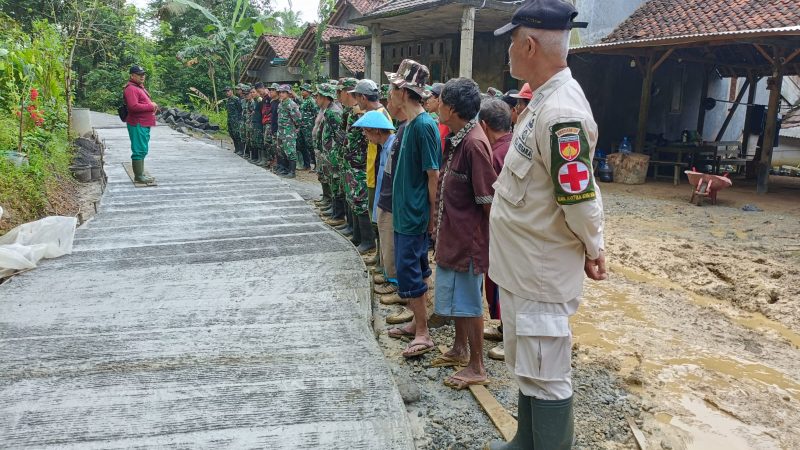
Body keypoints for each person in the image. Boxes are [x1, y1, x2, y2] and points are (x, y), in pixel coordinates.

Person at [488, 0, 604, 448]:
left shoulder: (561, 114)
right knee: (528, 367)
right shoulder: (541, 102)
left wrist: (595, 248)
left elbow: (579, 197)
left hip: (540, 271)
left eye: (512, 44)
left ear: (530, 44)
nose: (509, 55)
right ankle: (526, 440)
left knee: (547, 374)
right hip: (522, 268)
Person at [428, 78, 497, 390]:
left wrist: (484, 246)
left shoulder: (474, 145)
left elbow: (487, 203)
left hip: (467, 243)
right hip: (453, 238)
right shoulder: (459, 138)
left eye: (440, 101)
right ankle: (459, 349)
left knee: (469, 304)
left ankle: (477, 365)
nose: (437, 106)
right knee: (457, 300)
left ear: (451, 108)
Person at [384, 59, 441, 358]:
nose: (389, 92)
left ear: (404, 91)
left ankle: (423, 332)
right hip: (405, 212)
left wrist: (432, 218)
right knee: (412, 269)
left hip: (415, 215)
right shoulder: (408, 125)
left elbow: (433, 176)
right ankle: (417, 324)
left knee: (411, 271)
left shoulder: (423, 126)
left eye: (393, 87)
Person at [478, 98, 514, 361]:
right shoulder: (516, 146)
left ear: (484, 125)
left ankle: (511, 338)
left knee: (504, 282)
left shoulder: (495, 155)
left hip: (502, 230)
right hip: (515, 230)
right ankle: (504, 329)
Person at [350, 79, 391, 256]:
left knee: (380, 220)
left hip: (378, 174)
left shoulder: (380, 115)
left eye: (357, 97)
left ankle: (381, 259)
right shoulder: (373, 113)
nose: (356, 102)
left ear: (364, 97)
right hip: (372, 174)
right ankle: (378, 257)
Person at [123, 65, 158, 184]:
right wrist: (151, 105)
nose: (142, 76)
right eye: (139, 74)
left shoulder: (138, 87)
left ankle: (141, 174)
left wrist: (151, 104)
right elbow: (133, 107)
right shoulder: (131, 89)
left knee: (142, 149)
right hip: (138, 123)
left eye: (143, 74)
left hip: (143, 123)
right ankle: (138, 176)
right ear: (132, 75)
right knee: (139, 149)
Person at [276, 84, 302, 178]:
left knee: (290, 151)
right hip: (281, 131)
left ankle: (292, 171)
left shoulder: (291, 104)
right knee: (282, 150)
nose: (281, 94)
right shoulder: (281, 103)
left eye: (283, 92)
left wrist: (293, 129)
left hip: (289, 132)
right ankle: (285, 169)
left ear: (288, 93)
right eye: (280, 92)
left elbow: (298, 119)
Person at [298, 83, 319, 170]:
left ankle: (315, 165)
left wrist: (315, 125)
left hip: (309, 127)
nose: (302, 92)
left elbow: (316, 113)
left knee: (310, 146)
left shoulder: (311, 101)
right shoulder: (304, 100)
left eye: (304, 90)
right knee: (302, 145)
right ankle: (306, 164)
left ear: (308, 91)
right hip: (302, 126)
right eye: (302, 90)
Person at [424, 83, 450, 153]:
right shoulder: (439, 122)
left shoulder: (448, 123)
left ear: (439, 99)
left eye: (430, 97)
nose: (427, 101)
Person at [224, 87, 244, 157]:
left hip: (236, 120)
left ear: (231, 91)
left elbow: (240, 109)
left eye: (228, 91)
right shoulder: (228, 100)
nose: (227, 93)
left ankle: (241, 150)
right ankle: (236, 149)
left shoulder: (236, 99)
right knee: (232, 134)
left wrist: (239, 120)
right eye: (226, 91)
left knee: (237, 134)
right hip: (230, 120)